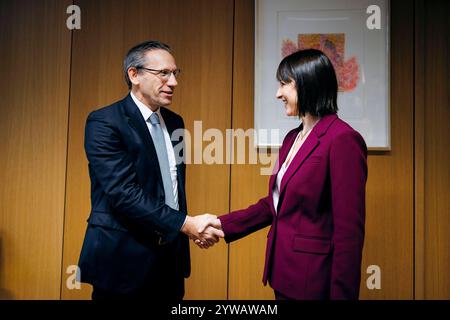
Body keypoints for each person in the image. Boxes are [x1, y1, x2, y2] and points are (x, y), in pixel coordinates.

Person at [200, 49, 368, 300]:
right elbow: (274, 204)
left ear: (308, 83)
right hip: (284, 275)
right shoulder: (292, 138)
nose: (278, 93)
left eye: (284, 84)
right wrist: (222, 224)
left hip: (315, 283)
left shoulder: (343, 140)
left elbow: (349, 234)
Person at [78, 40, 223, 301]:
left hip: (170, 261)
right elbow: (124, 193)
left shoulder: (175, 122)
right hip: (122, 260)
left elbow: (172, 187)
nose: (173, 82)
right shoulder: (104, 122)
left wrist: (183, 228)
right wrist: (186, 224)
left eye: (175, 73)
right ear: (134, 75)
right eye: (163, 73)